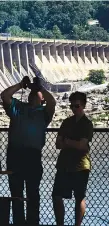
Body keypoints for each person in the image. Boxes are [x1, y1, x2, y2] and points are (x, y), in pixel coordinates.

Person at [0, 76, 56, 224]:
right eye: (32, 91)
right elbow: (5, 96)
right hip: (15, 154)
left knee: (33, 191)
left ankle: (33, 221)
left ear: (42, 99)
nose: (33, 93)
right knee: (16, 191)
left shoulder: (44, 113)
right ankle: (19, 221)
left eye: (37, 93)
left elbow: (53, 102)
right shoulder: (17, 107)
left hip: (33, 155)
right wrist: (21, 85)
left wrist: (40, 87)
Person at [53, 92, 93, 226]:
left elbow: (82, 145)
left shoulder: (87, 124)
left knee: (79, 197)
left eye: (77, 106)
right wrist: (74, 143)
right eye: (72, 106)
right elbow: (58, 144)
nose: (74, 109)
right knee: (57, 196)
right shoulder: (66, 122)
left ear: (83, 105)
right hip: (64, 163)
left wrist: (67, 141)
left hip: (80, 165)